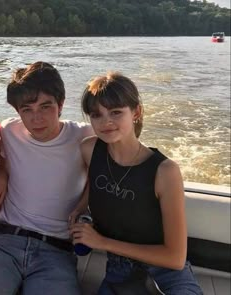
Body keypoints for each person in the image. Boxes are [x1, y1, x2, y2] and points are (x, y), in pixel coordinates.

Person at [70, 72, 203, 294]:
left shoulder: (165, 171)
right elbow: (96, 182)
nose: (106, 122)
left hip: (166, 274)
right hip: (118, 272)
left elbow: (175, 258)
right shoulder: (89, 150)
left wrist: (102, 243)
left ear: (136, 112)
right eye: (96, 114)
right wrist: (81, 206)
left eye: (115, 112)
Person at [0, 61, 93, 295]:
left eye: (45, 107)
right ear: (17, 111)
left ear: (61, 105)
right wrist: (1, 172)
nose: (36, 118)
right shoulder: (9, 131)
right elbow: (2, 161)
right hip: (5, 242)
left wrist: (84, 203)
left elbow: (110, 173)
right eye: (27, 109)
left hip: (56, 251)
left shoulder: (84, 137)